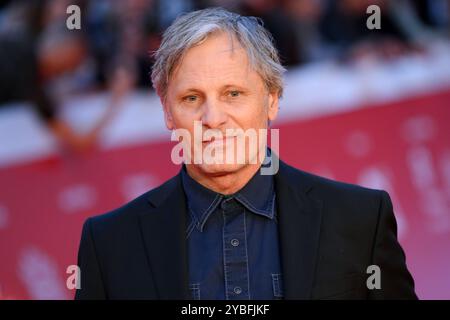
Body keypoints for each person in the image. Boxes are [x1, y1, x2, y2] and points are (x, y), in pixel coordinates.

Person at [75, 7, 417, 300]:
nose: (213, 119)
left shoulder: (358, 220)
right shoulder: (110, 245)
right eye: (191, 98)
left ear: (271, 99)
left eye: (233, 93)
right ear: (167, 111)